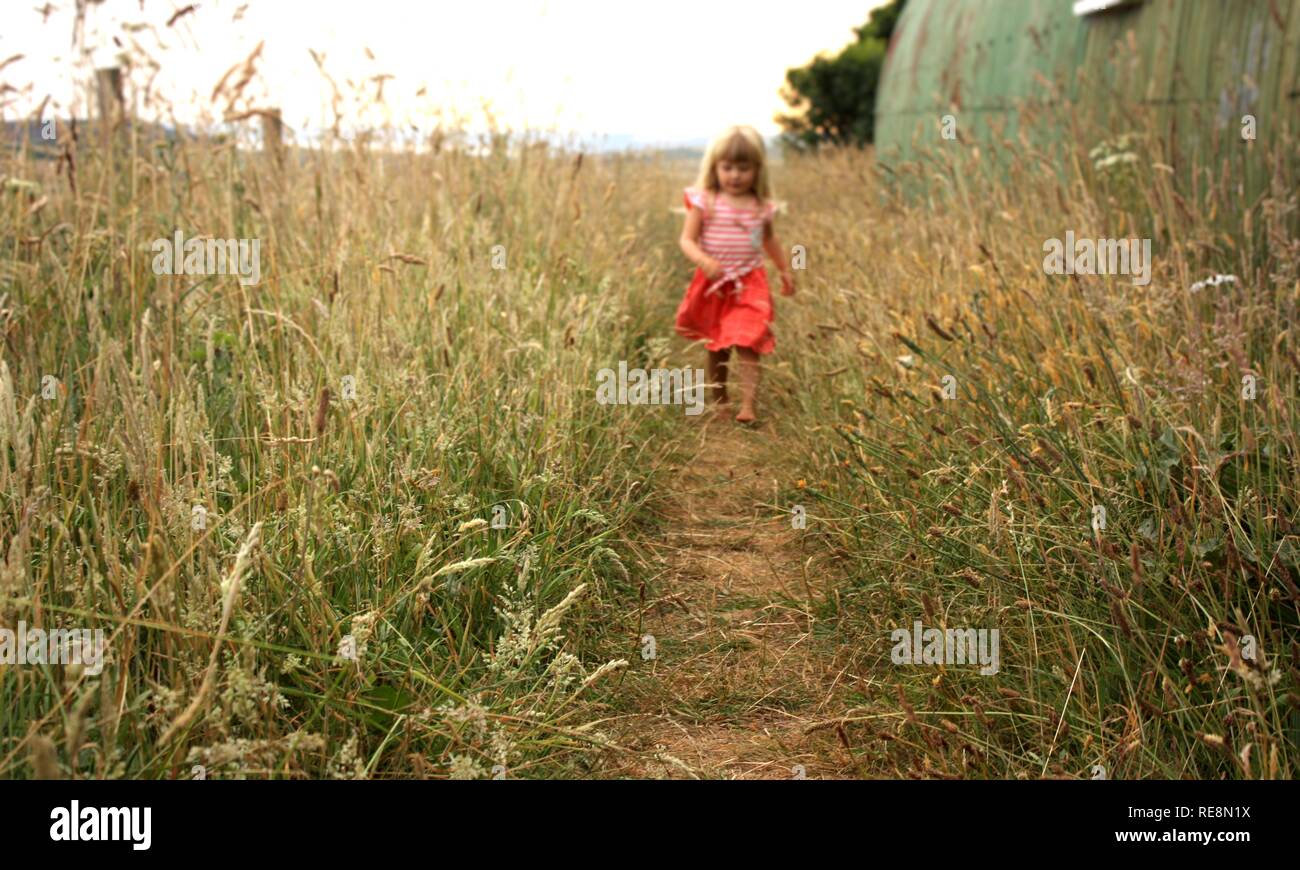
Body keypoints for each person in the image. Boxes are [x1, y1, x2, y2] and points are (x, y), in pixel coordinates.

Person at [675, 125, 795, 424]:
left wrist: (785, 270)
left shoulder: (760, 207)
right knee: (717, 347)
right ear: (714, 168)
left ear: (758, 169)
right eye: (727, 167)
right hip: (714, 284)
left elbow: (769, 241)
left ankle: (748, 406)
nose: (735, 175)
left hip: (750, 283)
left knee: (748, 340)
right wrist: (704, 261)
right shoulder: (706, 202)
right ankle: (721, 401)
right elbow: (686, 240)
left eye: (744, 168)